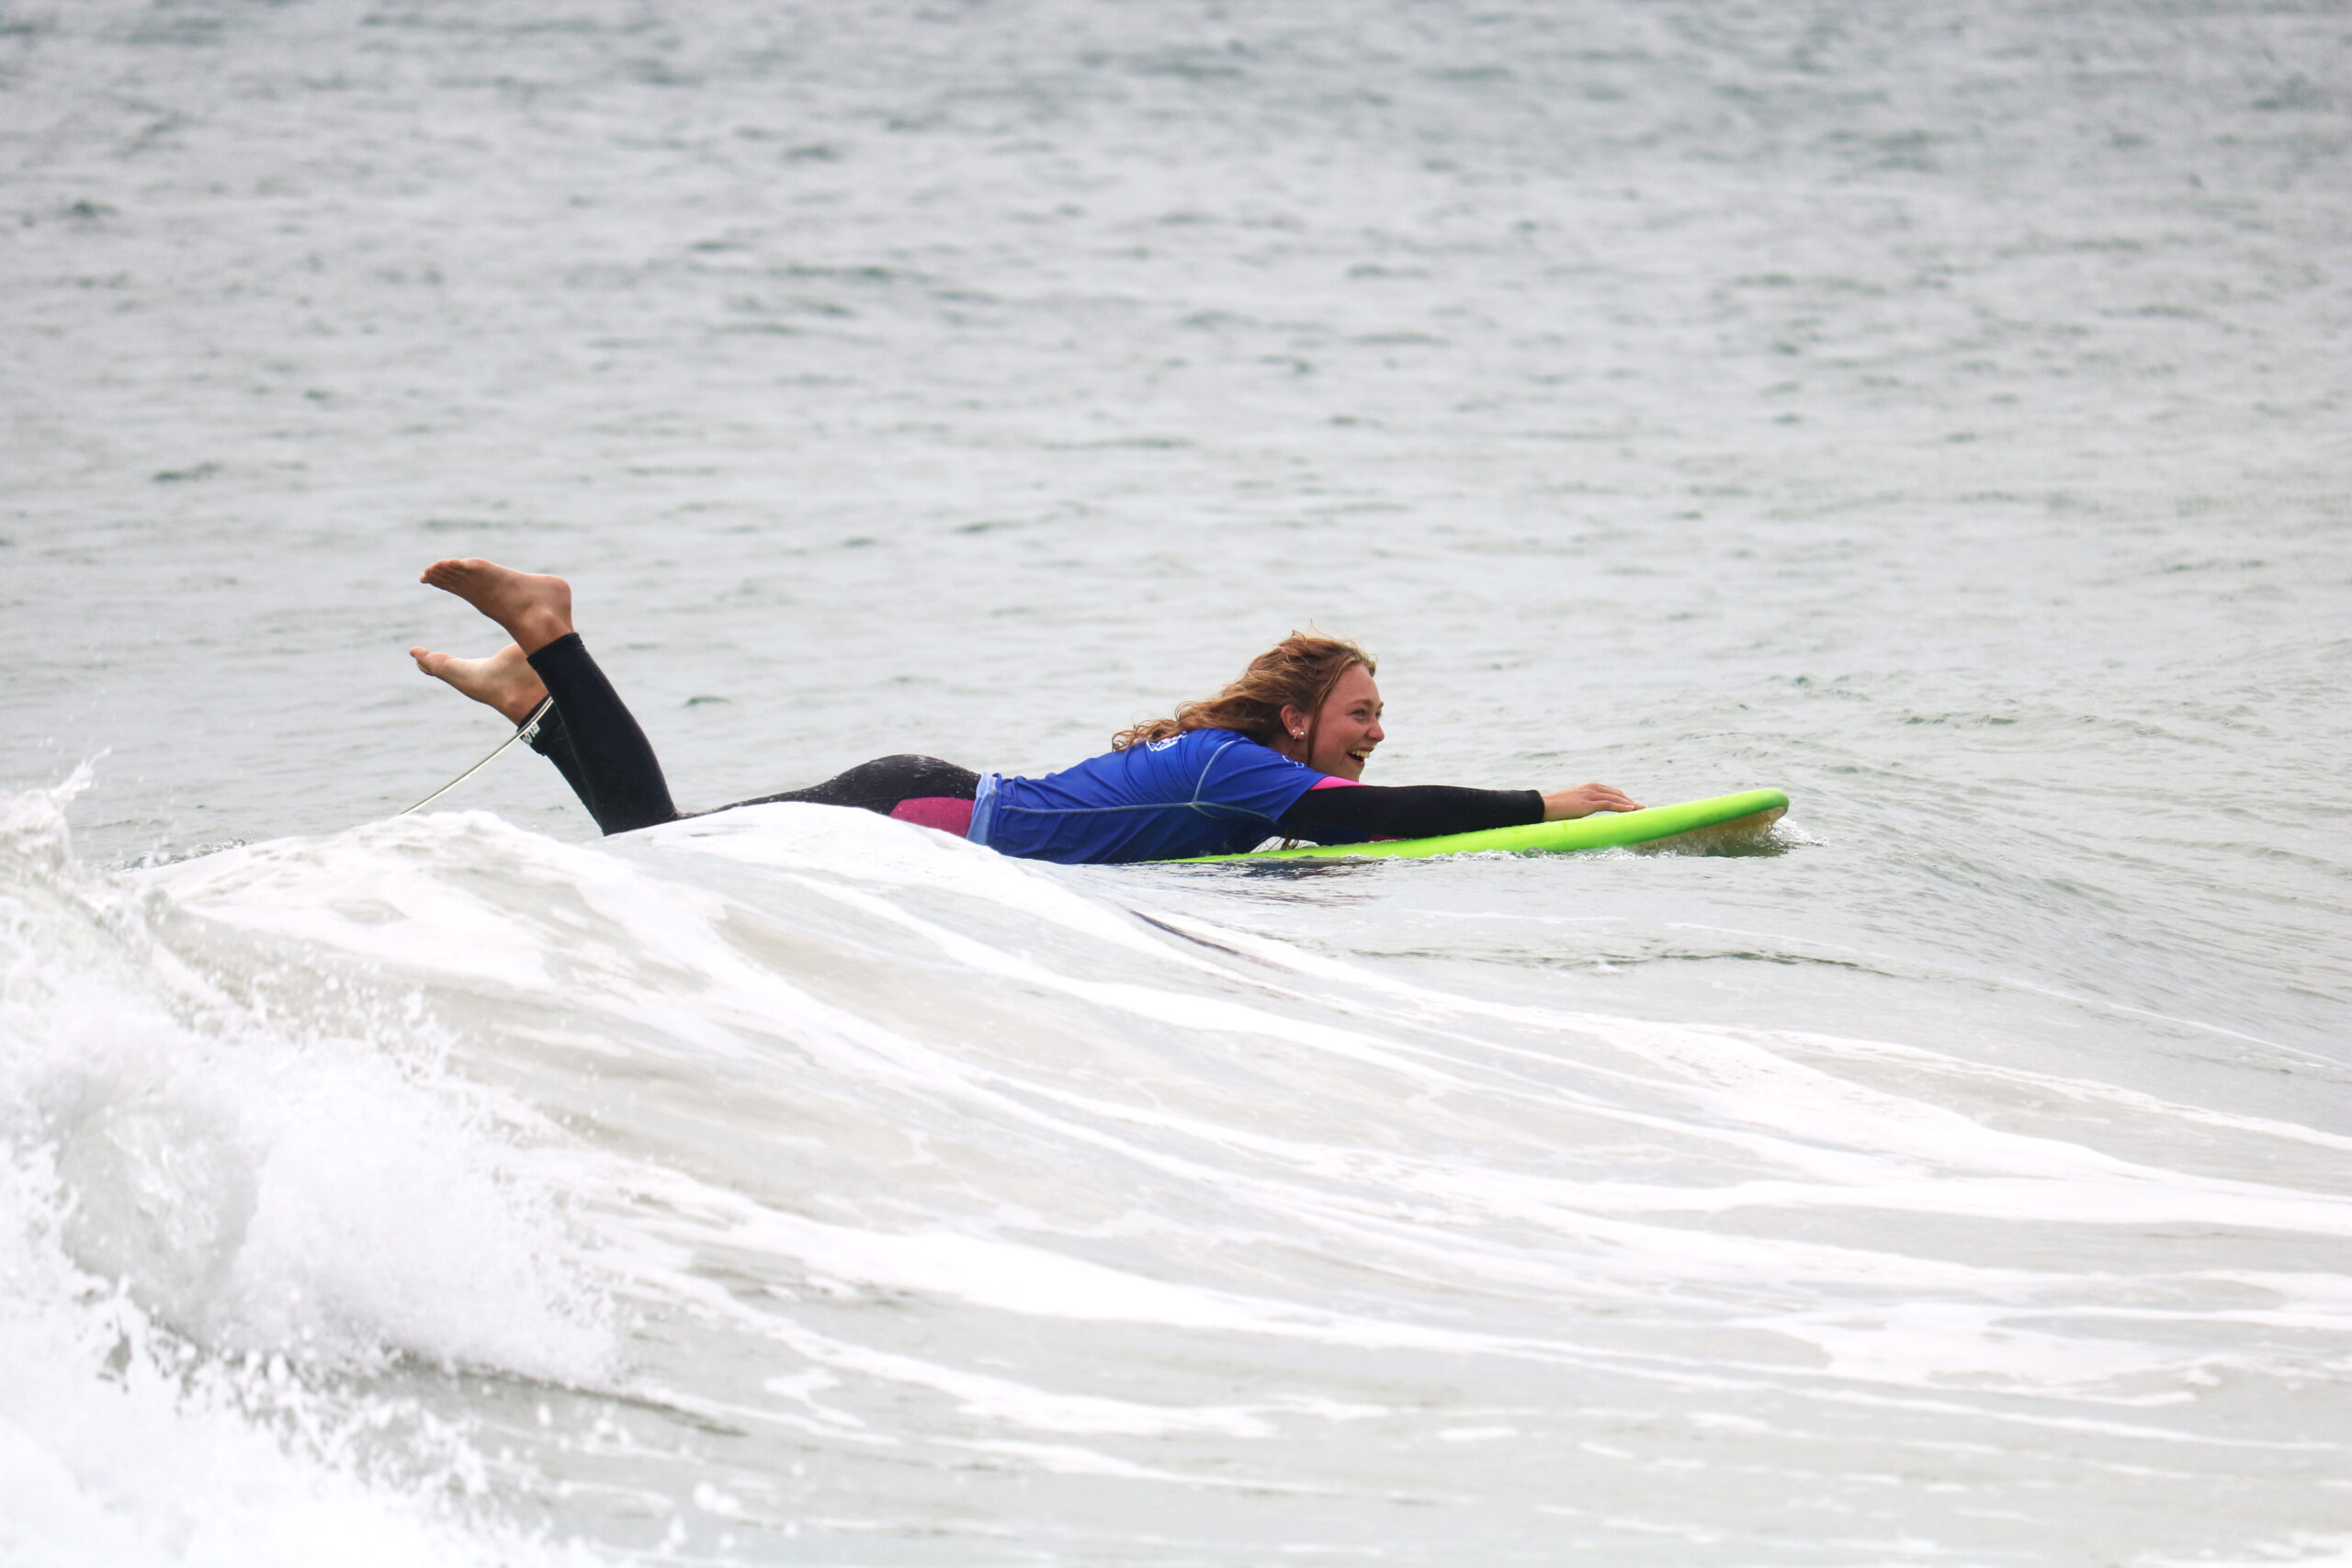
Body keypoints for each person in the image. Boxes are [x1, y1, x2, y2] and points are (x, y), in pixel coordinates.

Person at [407, 558, 1643, 863]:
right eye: (1361, 713)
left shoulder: (1240, 779)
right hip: (921, 817)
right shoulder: (1237, 769)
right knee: (659, 851)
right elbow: (1359, 819)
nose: (1377, 734)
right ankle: (553, 634)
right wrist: (1548, 803)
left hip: (926, 805)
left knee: (658, 850)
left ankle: (537, 704)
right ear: (1297, 720)